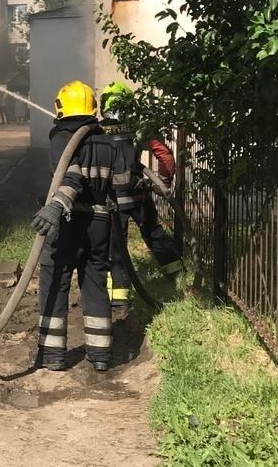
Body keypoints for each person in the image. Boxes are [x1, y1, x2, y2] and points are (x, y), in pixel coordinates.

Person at [30, 81, 137, 372]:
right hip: (100, 223)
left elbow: (71, 176)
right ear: (93, 107)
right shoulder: (106, 140)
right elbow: (121, 185)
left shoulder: (62, 135)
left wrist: (55, 205)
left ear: (60, 106)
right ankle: (101, 354)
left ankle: (51, 355)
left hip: (68, 221)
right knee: (94, 284)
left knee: (56, 279)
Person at [98, 83, 186, 315]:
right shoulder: (138, 128)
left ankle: (118, 301)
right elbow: (165, 157)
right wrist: (163, 183)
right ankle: (177, 274)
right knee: (154, 233)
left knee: (116, 248)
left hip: (112, 202)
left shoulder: (94, 132)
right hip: (138, 196)